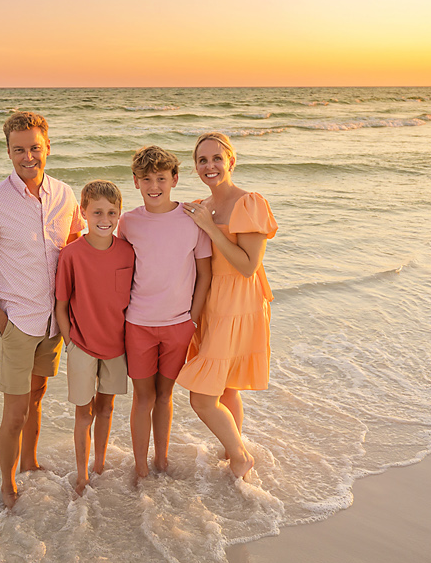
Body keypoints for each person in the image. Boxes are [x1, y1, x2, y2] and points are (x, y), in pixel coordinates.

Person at [0, 111, 83, 509]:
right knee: (14, 412)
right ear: (8, 151)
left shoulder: (65, 195)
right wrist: (2, 320)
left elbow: (79, 249)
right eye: (19, 150)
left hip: (53, 325)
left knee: (38, 397)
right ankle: (7, 484)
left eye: (34, 148)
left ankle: (30, 463)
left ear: (47, 147)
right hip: (18, 324)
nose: (27, 157)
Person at [177, 131, 277, 480]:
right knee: (227, 385)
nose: (210, 166)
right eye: (202, 160)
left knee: (202, 397)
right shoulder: (204, 205)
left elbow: (248, 265)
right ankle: (231, 450)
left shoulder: (249, 203)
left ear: (231, 161)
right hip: (211, 301)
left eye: (217, 158)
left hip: (238, 303)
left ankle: (239, 456)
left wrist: (211, 228)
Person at [117, 145, 214, 482]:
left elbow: (205, 273)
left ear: (174, 178)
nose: (153, 186)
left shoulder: (191, 219)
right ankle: (141, 468)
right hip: (138, 324)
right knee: (143, 397)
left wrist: (193, 319)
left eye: (160, 178)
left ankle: (161, 460)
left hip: (179, 325)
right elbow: (119, 270)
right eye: (146, 179)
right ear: (135, 182)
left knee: (165, 395)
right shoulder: (128, 222)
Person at [55, 180, 134, 495]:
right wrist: (71, 344)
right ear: (83, 213)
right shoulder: (71, 255)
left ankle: (99, 464)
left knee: (106, 408)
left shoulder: (128, 252)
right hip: (82, 347)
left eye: (112, 212)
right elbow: (61, 306)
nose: (105, 219)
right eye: (97, 212)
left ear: (119, 214)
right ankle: (82, 473)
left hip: (117, 347)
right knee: (83, 411)